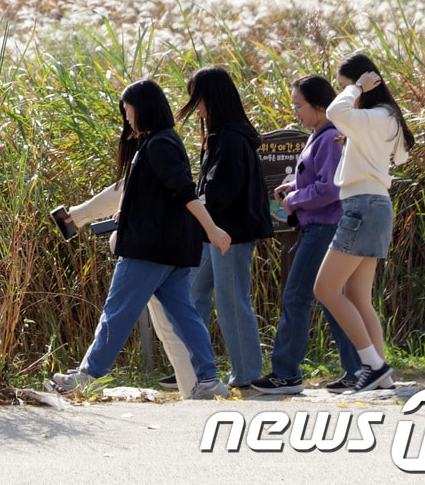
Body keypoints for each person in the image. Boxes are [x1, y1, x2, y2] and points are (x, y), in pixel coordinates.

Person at [50, 79, 233, 400]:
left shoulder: (159, 145)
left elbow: (184, 192)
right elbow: (159, 195)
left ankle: (88, 375)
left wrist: (212, 229)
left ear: (142, 108)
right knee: (186, 317)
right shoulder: (162, 142)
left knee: (117, 310)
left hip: (147, 250)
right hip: (170, 251)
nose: (127, 117)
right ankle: (207, 379)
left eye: (128, 110)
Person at [250, 75, 362, 393]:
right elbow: (320, 180)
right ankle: (358, 369)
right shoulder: (320, 134)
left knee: (296, 296)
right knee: (329, 299)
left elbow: (331, 188)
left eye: (299, 106)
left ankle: (286, 373)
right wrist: (294, 188)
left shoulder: (329, 137)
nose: (295, 112)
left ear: (318, 106)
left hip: (324, 229)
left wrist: (294, 199)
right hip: (320, 227)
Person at [313, 53, 414, 393]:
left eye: (346, 86)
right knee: (357, 295)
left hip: (363, 207)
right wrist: (354, 138)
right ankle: (381, 374)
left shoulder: (373, 117)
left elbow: (334, 112)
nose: (347, 92)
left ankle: (372, 364)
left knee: (325, 289)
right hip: (373, 206)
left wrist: (356, 87)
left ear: (366, 85)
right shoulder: (382, 117)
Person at [177, 65, 272, 390]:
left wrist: (191, 206)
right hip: (216, 234)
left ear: (211, 98)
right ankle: (195, 368)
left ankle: (245, 375)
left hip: (230, 234)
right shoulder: (225, 134)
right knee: (191, 293)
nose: (196, 106)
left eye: (197, 98)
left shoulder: (230, 138)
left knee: (232, 302)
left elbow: (222, 191)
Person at [52, 182, 197, 395]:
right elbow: (127, 186)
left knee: (123, 314)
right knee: (170, 327)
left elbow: (132, 186)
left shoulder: (154, 150)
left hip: (149, 247)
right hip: (161, 245)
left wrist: (78, 216)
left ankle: (90, 376)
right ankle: (198, 388)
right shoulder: (154, 153)